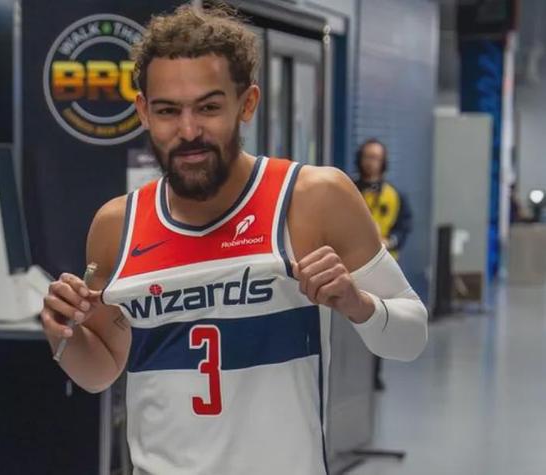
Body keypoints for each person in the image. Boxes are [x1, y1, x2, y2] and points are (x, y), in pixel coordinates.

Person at [41, 5, 428, 474]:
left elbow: (411, 337)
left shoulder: (313, 198)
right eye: (168, 111)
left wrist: (357, 303)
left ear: (247, 103)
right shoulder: (116, 225)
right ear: (143, 111)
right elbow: (101, 370)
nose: (188, 131)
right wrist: (63, 334)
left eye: (208, 107)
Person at [354, 138, 413, 391]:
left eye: (376, 158)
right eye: (367, 157)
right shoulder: (348, 190)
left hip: (383, 266)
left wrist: (390, 241)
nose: (371, 163)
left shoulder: (394, 195)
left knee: (378, 321)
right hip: (352, 265)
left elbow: (404, 227)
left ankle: (374, 374)